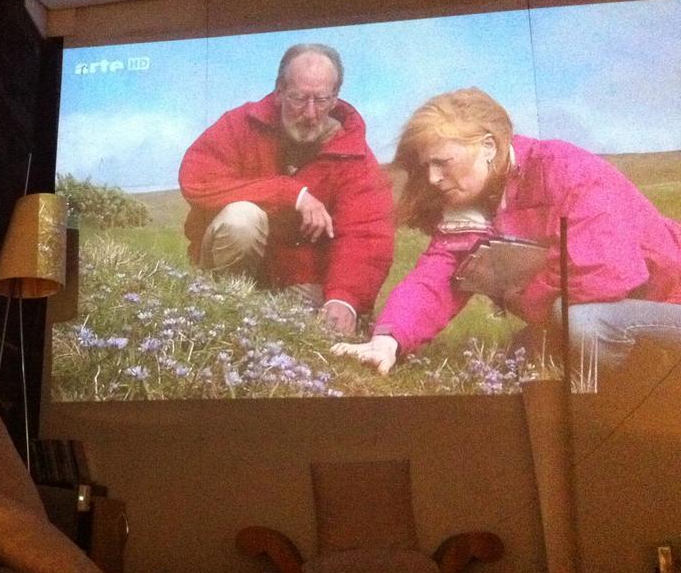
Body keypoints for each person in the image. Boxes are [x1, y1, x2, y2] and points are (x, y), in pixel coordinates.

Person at [332, 87, 681, 375]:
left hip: (669, 300)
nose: (433, 178)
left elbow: (606, 277)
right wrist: (388, 340)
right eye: (427, 167)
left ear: (488, 147)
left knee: (584, 322)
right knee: (519, 355)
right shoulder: (472, 204)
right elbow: (434, 280)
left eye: (443, 162)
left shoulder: (564, 169)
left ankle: (639, 391)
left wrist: (508, 286)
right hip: (629, 311)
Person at [178, 43, 395, 335]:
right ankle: (218, 313)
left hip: (299, 282)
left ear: (335, 98)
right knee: (242, 217)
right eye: (298, 98)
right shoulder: (240, 124)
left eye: (321, 100)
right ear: (279, 90)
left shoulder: (355, 156)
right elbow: (196, 178)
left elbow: (365, 236)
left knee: (332, 323)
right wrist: (289, 193)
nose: (309, 113)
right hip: (229, 271)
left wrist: (345, 298)